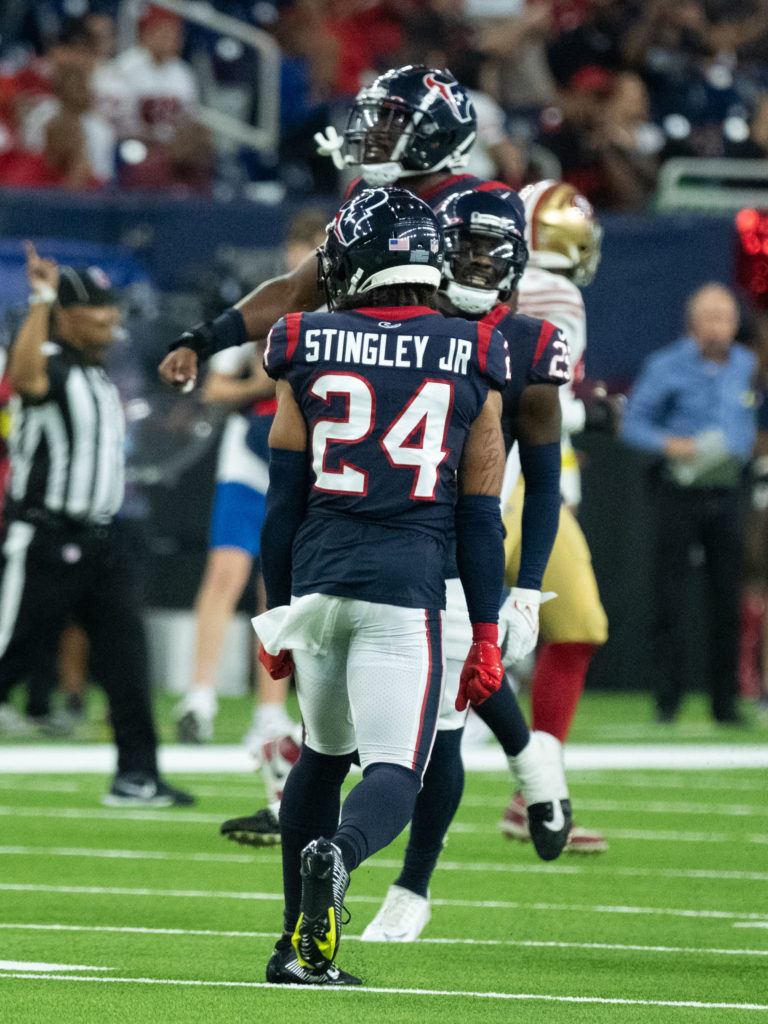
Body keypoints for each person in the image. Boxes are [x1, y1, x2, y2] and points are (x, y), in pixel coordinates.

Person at [159, 65, 570, 858]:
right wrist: (208, 337)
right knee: (425, 669)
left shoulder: (477, 208)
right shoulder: (372, 206)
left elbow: (515, 315)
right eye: (373, 119)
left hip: (448, 429)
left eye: (391, 121)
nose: (372, 135)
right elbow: (297, 288)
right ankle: (363, 813)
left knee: (448, 666)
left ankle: (439, 827)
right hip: (382, 441)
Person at [255, 185, 510, 985]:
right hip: (406, 591)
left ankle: (294, 944)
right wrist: (490, 630)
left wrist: (276, 612)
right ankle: (341, 855)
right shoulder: (476, 352)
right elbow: (480, 517)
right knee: (398, 770)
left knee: (322, 758)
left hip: (319, 582)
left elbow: (282, 500)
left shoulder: (302, 339)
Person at [361, 185, 573, 943]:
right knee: (401, 713)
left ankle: (413, 886)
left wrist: (526, 587)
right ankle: (532, 758)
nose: (479, 260)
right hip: (385, 533)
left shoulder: (530, 341)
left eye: (493, 248)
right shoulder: (399, 323)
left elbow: (543, 479)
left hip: (462, 548)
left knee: (444, 720)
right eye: (467, 246)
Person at [0, 241, 194, 808]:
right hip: (44, 537)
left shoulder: (98, 375)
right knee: (9, 653)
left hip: (104, 541)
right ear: (67, 314)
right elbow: (26, 373)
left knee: (128, 665)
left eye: (113, 306)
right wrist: (40, 297)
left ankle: (137, 776)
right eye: (97, 308)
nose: (111, 317)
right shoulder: (51, 364)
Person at [498, 178, 611, 856]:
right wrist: (593, 413)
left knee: (574, 627)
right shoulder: (556, 292)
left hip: (483, 476)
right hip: (513, 480)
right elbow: (545, 399)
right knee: (454, 651)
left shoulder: (494, 279)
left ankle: (535, 792)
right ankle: (537, 793)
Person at [620, 282, 757, 725]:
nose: (721, 327)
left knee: (727, 597)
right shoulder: (666, 365)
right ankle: (668, 699)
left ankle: (725, 702)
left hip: (729, 489)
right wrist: (671, 444)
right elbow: (632, 424)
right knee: (671, 594)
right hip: (679, 490)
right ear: (693, 323)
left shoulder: (747, 364)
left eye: (727, 317)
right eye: (711, 318)